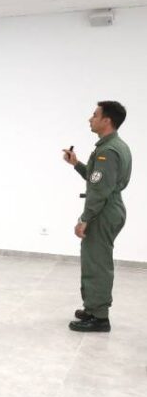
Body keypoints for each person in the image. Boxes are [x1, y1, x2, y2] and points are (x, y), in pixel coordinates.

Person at [63, 100, 132, 332]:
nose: (90, 119)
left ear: (107, 120)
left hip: (103, 211)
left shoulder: (108, 151)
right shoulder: (114, 147)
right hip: (108, 208)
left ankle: (100, 317)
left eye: (94, 115)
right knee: (95, 260)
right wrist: (77, 164)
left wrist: (85, 219)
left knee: (98, 263)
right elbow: (98, 180)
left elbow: (100, 191)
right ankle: (93, 307)